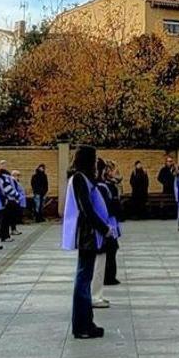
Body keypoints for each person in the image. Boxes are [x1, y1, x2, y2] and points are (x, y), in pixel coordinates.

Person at [62, 145, 111, 339]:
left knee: (85, 277)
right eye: (94, 157)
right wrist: (103, 228)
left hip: (89, 232)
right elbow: (86, 208)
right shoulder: (79, 179)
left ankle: (86, 323)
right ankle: (82, 326)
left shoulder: (84, 178)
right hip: (87, 233)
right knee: (83, 279)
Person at [98, 159, 123, 287]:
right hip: (109, 220)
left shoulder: (110, 185)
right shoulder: (104, 186)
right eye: (113, 170)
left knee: (113, 248)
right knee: (110, 248)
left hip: (112, 220)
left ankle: (110, 275)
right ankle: (108, 276)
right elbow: (110, 205)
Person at [9, 169, 27, 235]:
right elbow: (14, 191)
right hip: (15, 200)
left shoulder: (17, 182)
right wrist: (18, 197)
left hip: (19, 200)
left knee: (16, 215)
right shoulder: (12, 182)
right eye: (17, 175)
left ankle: (14, 228)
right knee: (13, 216)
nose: (18, 177)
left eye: (19, 175)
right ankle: (13, 229)